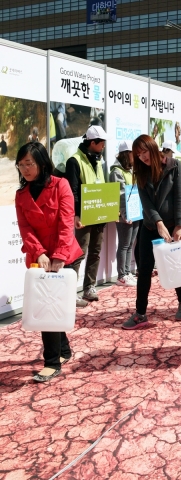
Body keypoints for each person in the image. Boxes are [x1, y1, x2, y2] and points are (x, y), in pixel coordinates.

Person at [15, 142, 83, 382]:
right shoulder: (21, 194)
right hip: (40, 258)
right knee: (49, 305)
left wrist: (58, 256)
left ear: (42, 163)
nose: (24, 169)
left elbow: (66, 223)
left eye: (29, 163)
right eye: (21, 164)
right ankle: (63, 350)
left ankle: (52, 362)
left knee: (49, 307)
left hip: (63, 255)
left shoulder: (60, 185)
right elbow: (25, 228)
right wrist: (39, 252)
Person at [122, 134, 181, 330]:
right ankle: (140, 313)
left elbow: (180, 197)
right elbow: (146, 203)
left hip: (172, 226)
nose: (142, 157)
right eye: (138, 154)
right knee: (144, 269)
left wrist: (179, 225)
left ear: (153, 148)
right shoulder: (141, 172)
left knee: (174, 266)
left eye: (144, 152)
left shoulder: (175, 166)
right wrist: (158, 223)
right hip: (150, 226)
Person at [65, 125, 108, 305]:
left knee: (95, 252)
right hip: (83, 216)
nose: (104, 146)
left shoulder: (98, 160)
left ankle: (89, 287)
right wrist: (76, 215)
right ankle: (69, 292)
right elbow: (72, 190)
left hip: (98, 214)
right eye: (102, 143)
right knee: (78, 253)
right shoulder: (74, 161)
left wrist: (107, 210)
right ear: (92, 142)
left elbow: (102, 187)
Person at [109, 140, 139, 286]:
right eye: (134, 153)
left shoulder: (131, 170)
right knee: (124, 244)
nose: (137, 155)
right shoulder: (116, 171)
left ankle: (127, 272)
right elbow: (119, 195)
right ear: (127, 154)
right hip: (124, 215)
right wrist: (124, 214)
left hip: (135, 213)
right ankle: (122, 275)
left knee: (130, 243)